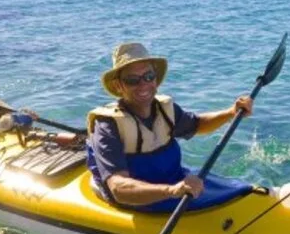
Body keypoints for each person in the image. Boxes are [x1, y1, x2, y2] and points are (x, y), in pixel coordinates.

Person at [86, 42, 256, 212]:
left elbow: (197, 125)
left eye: (149, 76)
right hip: (141, 199)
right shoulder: (107, 126)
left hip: (173, 180)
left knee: (241, 190)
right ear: (118, 85)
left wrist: (231, 113)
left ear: (156, 79)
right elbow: (119, 188)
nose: (143, 84)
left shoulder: (164, 109)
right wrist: (172, 191)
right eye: (132, 80)